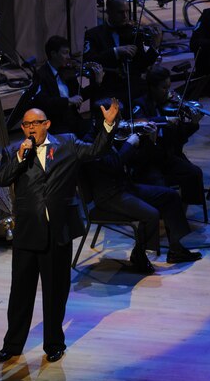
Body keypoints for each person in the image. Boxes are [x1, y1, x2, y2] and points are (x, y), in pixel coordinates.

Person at [0, 99, 119, 364]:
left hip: (57, 231)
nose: (30, 128)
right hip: (27, 232)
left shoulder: (68, 144)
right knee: (20, 293)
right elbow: (2, 178)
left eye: (35, 123)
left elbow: (97, 150)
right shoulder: (14, 151)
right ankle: (12, 344)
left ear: (46, 125)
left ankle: (53, 343)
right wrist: (19, 157)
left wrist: (108, 124)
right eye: (26, 124)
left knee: (55, 292)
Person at [82, 101, 202, 273]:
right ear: (98, 120)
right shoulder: (89, 143)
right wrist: (129, 145)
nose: (121, 123)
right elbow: (114, 164)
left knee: (170, 196)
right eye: (115, 118)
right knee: (151, 214)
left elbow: (134, 161)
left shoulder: (112, 135)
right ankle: (139, 256)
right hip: (109, 196)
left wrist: (149, 142)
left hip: (125, 188)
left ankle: (176, 249)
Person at [131, 66, 206, 212]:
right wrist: (165, 119)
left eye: (169, 87)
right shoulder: (139, 104)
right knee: (160, 186)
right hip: (147, 159)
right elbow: (142, 121)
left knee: (194, 173)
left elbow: (179, 138)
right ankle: (162, 217)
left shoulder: (170, 105)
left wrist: (193, 124)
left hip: (167, 156)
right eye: (163, 88)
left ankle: (180, 212)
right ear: (152, 88)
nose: (168, 92)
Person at [8, 35, 104, 137]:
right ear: (53, 54)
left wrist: (97, 83)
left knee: (100, 129)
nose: (68, 57)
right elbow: (43, 102)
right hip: (55, 125)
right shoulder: (42, 75)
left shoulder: (67, 73)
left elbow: (79, 96)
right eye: (65, 53)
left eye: (68, 53)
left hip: (73, 121)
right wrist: (68, 101)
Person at [84, 0, 161, 113]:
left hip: (132, 88)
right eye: (120, 12)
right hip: (107, 88)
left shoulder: (133, 33)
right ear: (108, 12)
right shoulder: (93, 34)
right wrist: (115, 52)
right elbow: (89, 60)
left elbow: (142, 65)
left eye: (127, 11)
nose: (125, 16)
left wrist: (154, 46)